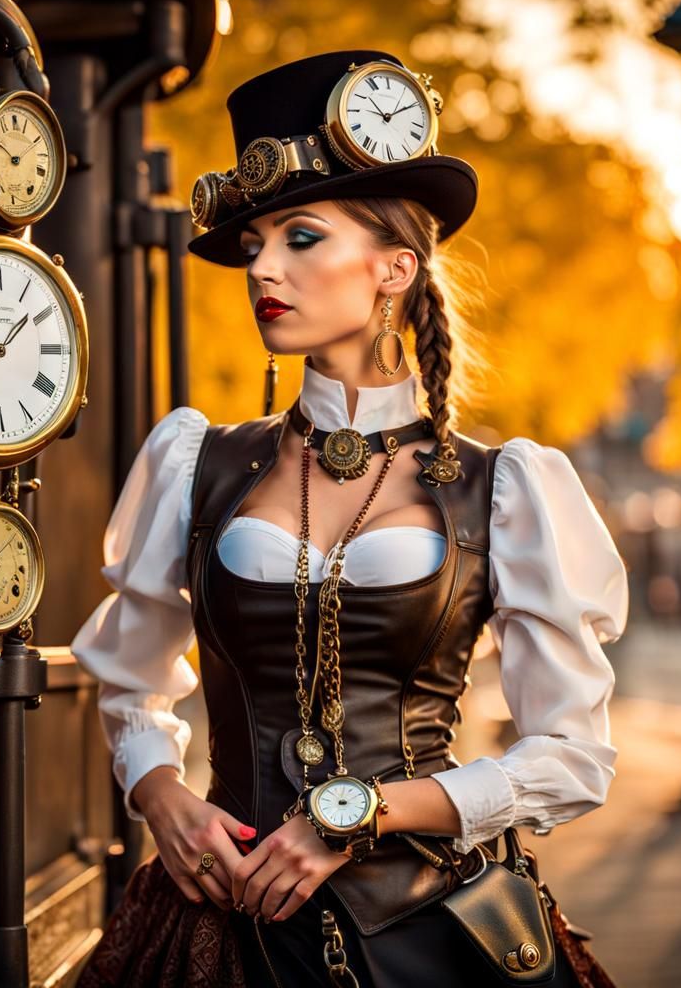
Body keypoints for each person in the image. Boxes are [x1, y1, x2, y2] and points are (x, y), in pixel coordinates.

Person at [71, 49, 628, 987]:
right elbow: (129, 683)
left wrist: (362, 813)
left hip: (432, 922)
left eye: (300, 237)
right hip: (221, 912)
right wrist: (159, 789)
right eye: (253, 246)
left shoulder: (508, 487)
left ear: (393, 267)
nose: (264, 270)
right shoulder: (193, 463)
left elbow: (571, 759)